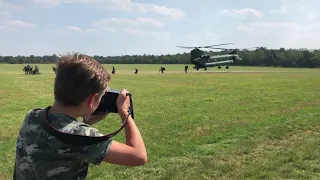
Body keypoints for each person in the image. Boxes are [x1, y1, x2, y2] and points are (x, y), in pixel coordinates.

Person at [13, 53, 147, 179]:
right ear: (92, 100)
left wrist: (87, 123)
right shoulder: (82, 136)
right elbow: (138, 156)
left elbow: (62, 137)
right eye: (101, 97)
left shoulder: (33, 116)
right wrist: (124, 112)